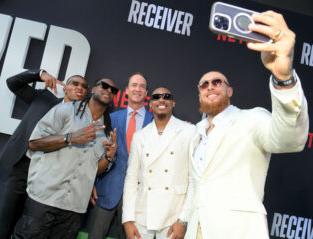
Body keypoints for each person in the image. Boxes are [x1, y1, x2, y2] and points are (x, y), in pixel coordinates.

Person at [183, 11, 309, 239]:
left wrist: (284, 78)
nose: (210, 86)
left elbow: (291, 139)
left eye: (217, 82)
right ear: (199, 94)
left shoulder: (251, 119)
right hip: (196, 230)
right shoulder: (196, 133)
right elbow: (196, 187)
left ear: (229, 91)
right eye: (204, 84)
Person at [13, 78, 119, 238]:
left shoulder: (107, 130)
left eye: (113, 90)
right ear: (93, 89)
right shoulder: (66, 110)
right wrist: (69, 138)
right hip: (44, 198)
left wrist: (109, 158)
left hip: (74, 207)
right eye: (105, 86)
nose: (109, 90)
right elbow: (34, 143)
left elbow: (93, 171)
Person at [0, 69, 88, 239]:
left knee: (32, 229)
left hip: (51, 181)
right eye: (75, 83)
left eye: (84, 86)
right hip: (25, 167)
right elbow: (12, 83)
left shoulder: (86, 122)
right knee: (6, 221)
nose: (79, 88)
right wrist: (39, 74)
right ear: (65, 87)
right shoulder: (44, 99)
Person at [122, 87, 200, 239]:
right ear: (150, 104)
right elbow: (131, 179)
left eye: (166, 96)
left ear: (173, 103)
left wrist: (183, 220)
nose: (161, 99)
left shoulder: (189, 131)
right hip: (142, 217)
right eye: (156, 97)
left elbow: (193, 179)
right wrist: (128, 220)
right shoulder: (140, 136)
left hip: (173, 217)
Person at [88, 73, 153, 239]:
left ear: (146, 92)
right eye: (134, 85)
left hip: (138, 199)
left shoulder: (156, 122)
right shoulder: (110, 118)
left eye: (142, 86)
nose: (137, 89)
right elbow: (95, 152)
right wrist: (91, 182)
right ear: (126, 90)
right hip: (106, 191)